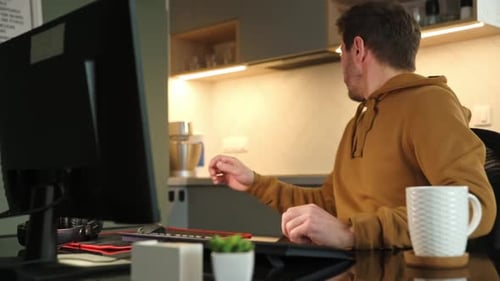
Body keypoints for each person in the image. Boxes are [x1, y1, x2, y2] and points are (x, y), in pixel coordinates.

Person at [208, 1, 496, 250]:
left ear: (357, 49)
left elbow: (476, 206)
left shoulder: (429, 104)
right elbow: (330, 204)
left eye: (341, 52)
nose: (341, 62)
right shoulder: (357, 123)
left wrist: (352, 233)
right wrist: (254, 183)